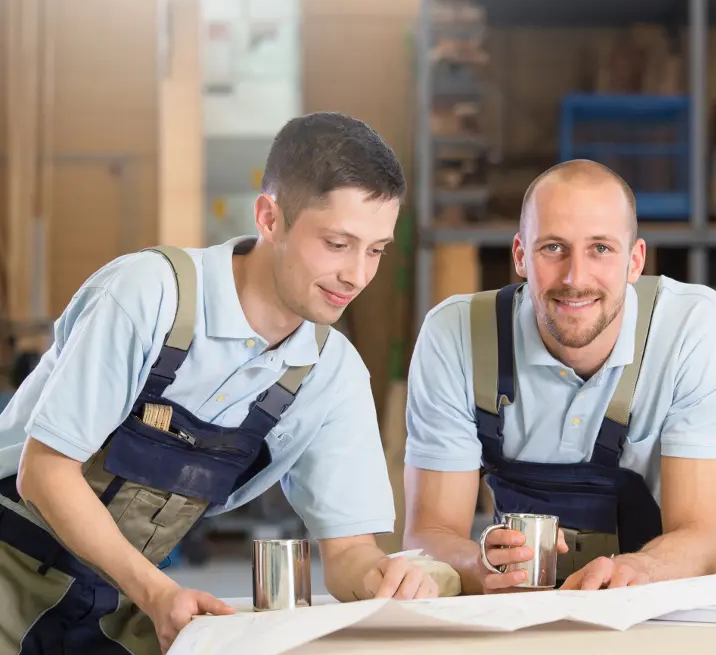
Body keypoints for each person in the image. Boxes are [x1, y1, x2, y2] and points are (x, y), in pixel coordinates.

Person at [0, 112, 437, 655]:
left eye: (375, 250)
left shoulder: (333, 374)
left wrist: (382, 578)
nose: (358, 275)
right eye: (337, 243)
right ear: (269, 217)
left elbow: (348, 550)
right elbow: (44, 472)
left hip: (120, 608)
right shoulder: (148, 295)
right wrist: (159, 592)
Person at [402, 159, 716, 594]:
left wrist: (637, 573)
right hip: (516, 606)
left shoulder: (694, 328)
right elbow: (427, 537)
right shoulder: (454, 334)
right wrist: (479, 565)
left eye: (600, 248)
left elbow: (703, 538)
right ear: (520, 256)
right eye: (552, 248)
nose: (575, 278)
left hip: (657, 603)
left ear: (635, 260)